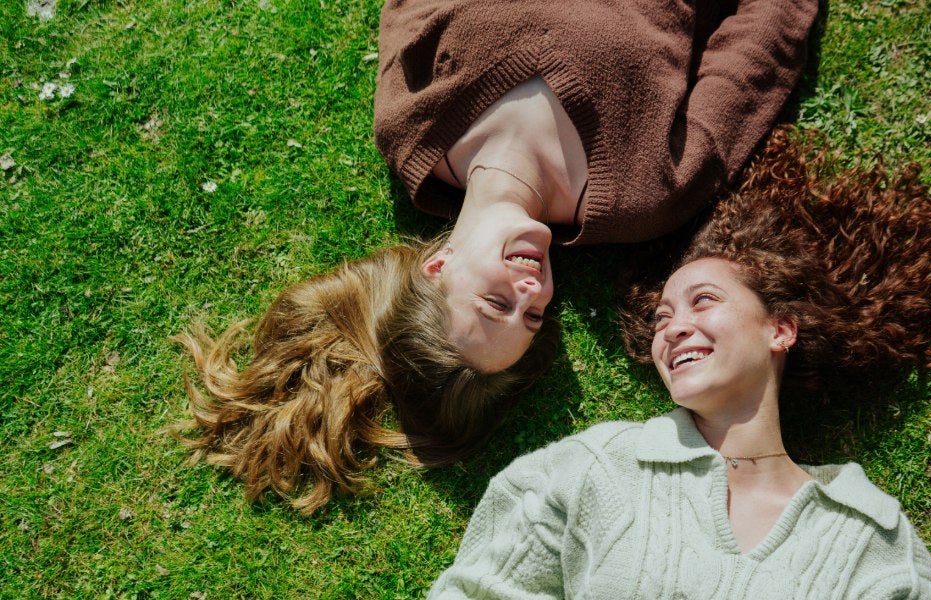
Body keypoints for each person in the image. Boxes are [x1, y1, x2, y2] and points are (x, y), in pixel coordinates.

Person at [173, 0, 819, 514]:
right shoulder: (642, 192)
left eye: (497, 302)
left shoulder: (410, 125)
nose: (534, 291)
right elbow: (761, 44)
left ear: (438, 266)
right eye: (532, 318)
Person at [426, 132, 931, 598]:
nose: (673, 327)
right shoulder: (590, 471)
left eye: (704, 301)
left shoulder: (868, 535)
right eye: (661, 318)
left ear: (780, 329)